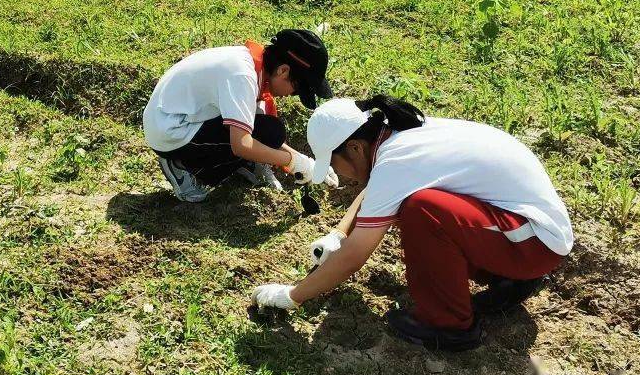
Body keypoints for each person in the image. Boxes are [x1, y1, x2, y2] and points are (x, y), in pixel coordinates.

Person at [252, 96, 573, 352]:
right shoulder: (400, 136)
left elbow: (355, 256)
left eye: (335, 163)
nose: (344, 174)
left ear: (355, 148)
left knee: (423, 210)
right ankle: (509, 280)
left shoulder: (395, 160)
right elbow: (376, 190)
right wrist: (339, 233)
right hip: (525, 229)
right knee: (424, 206)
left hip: (534, 243)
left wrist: (293, 295)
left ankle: (450, 325)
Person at [143, 30, 336, 203]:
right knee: (263, 135)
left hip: (184, 118)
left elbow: (260, 134)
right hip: (170, 131)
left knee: (269, 131)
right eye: (296, 90)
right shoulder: (242, 76)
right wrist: (292, 162)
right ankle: (180, 164)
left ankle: (246, 163)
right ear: (283, 70)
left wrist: (305, 161)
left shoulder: (252, 67)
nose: (290, 95)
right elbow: (242, 144)